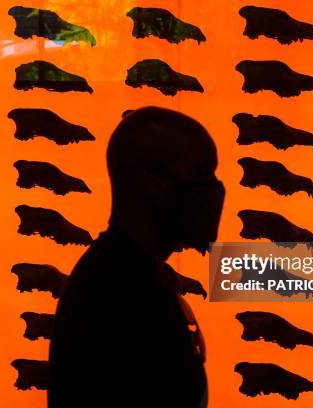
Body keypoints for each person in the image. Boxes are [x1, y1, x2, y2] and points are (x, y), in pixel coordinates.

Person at [48, 107, 225, 407]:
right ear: (153, 180)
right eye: (201, 175)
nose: (214, 191)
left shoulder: (129, 276)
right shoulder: (119, 293)